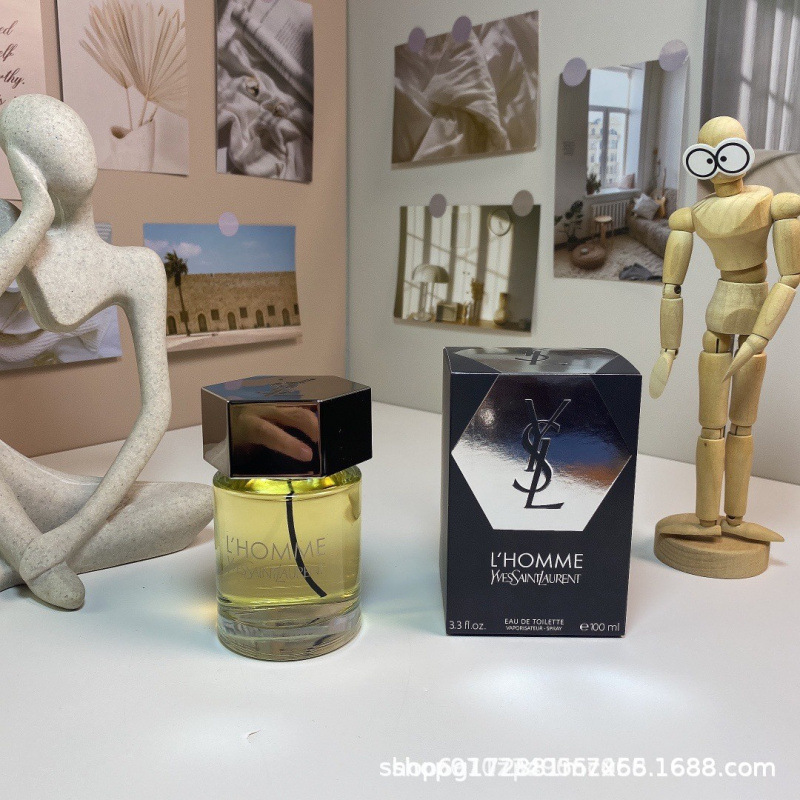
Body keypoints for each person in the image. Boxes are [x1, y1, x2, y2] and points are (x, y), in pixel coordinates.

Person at [0, 94, 211, 609]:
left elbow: (156, 409)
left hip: (55, 501)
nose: (71, 148)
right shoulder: (14, 230)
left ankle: (21, 561)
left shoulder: (137, 267)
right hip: (9, 475)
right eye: (44, 142)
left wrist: (73, 533)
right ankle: (28, 552)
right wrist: (34, 216)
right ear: (23, 164)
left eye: (73, 133)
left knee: (201, 501)